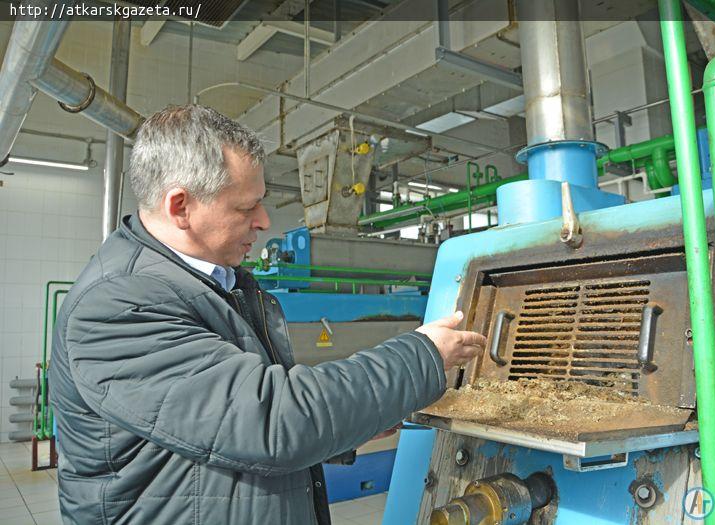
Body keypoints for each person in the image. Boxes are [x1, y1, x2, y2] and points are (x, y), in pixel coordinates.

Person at [49, 105, 486, 525]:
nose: (263, 221)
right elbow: (273, 419)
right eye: (245, 207)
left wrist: (349, 427)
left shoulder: (221, 283)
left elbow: (219, 432)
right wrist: (422, 355)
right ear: (180, 206)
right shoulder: (119, 304)